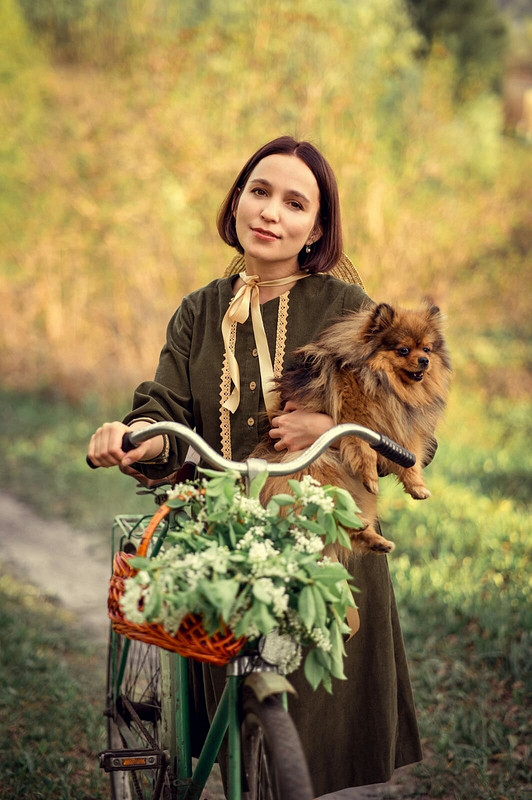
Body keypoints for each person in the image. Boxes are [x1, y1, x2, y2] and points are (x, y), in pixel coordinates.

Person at [88, 136, 422, 796]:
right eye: (259, 191)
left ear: (316, 228)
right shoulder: (199, 311)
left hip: (323, 534)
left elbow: (407, 415)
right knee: (231, 709)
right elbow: (166, 410)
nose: (271, 211)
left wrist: (327, 426)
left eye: (295, 202)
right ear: (237, 200)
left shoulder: (346, 310)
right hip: (226, 523)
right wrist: (136, 436)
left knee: (318, 725)